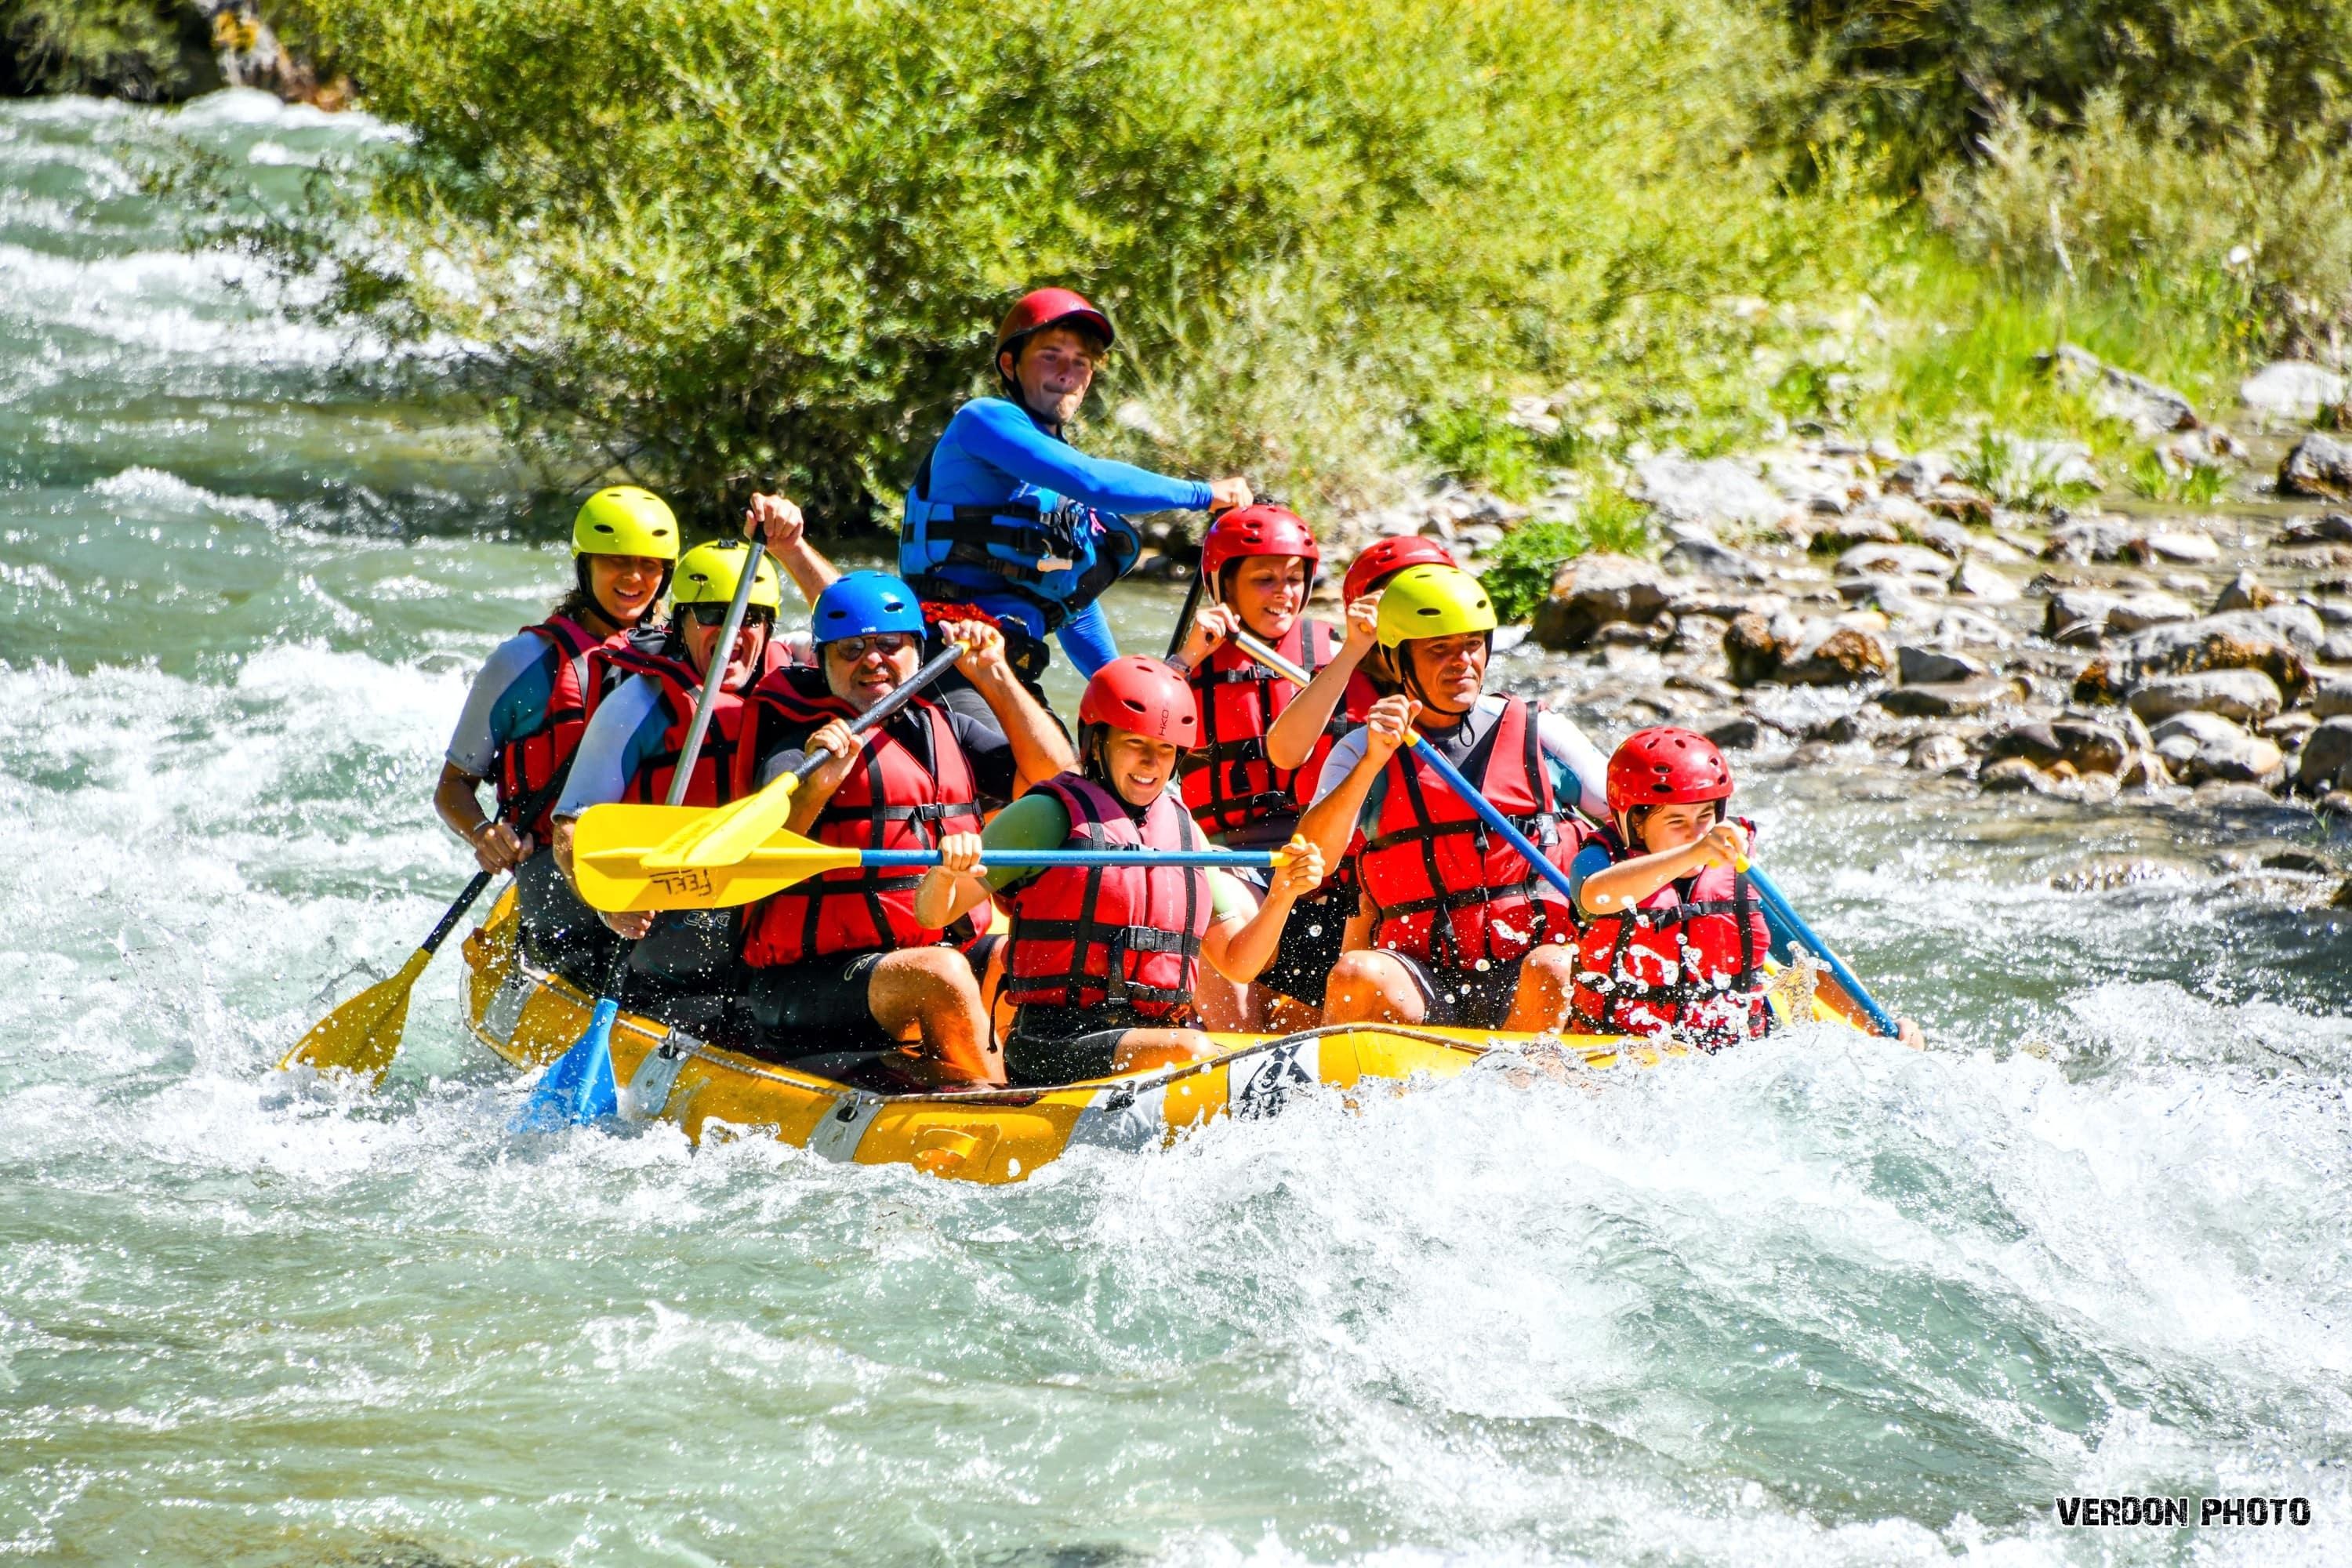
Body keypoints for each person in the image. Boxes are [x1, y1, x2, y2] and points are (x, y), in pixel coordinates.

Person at [911, 656, 1326, 1088]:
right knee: (1196, 1054)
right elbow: (932, 915)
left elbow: (1238, 964)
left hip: (1153, 1038)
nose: (1151, 762)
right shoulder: (1047, 815)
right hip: (1052, 1043)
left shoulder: (1186, 835)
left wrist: (1283, 893)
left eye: (1165, 749)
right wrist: (944, 873)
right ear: (1097, 742)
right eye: (1135, 743)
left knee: (1245, 1060)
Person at [735, 571, 1074, 1087]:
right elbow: (758, 853)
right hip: (809, 981)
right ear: (822, 661)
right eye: (851, 649)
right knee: (940, 974)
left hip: (928, 950)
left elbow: (1058, 783)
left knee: (1020, 954)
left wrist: (995, 676)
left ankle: (1030, 1079)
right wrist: (817, 786)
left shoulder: (942, 727)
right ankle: (1000, 1105)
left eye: (890, 645)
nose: (873, 660)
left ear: (917, 652)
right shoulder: (797, 738)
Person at [898, 287, 1253, 716]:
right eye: (1050, 355)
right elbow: (1093, 481)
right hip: (947, 659)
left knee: (1073, 774)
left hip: (1009, 673)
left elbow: (1070, 604)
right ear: (1010, 365)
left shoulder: (1055, 489)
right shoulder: (983, 419)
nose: (1067, 371)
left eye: (1081, 362)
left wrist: (1127, 698)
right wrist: (1205, 494)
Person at [1299, 564, 1611, 1033]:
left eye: (1472, 645)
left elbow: (1636, 819)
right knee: (1355, 975)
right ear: (1397, 659)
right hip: (1423, 978)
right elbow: (1313, 862)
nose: (1462, 662)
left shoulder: (1540, 733)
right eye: (1439, 649)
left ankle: (1525, 1084)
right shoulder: (1360, 749)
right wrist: (1371, 763)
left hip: (1532, 968)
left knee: (1553, 968)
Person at [437, 485, 677, 978]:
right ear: (585, 566)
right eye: (616, 561)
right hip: (556, 873)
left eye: (649, 564)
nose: (634, 578)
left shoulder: (693, 655)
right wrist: (486, 834)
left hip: (659, 872)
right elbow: (452, 787)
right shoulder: (522, 663)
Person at [550, 539, 790, 1029]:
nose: (732, 632)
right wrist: (609, 906)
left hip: (763, 909)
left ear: (768, 628)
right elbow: (569, 832)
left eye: (751, 618)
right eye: (712, 614)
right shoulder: (636, 705)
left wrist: (796, 546)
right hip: (670, 917)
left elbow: (866, 630)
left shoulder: (795, 686)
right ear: (680, 623)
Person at [1166, 505, 1356, 1026]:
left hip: (1325, 855)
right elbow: (1123, 750)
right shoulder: (1188, 667)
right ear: (1224, 584)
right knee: (1209, 901)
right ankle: (1234, 1055)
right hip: (1230, 855)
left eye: (1295, 578)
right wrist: (1185, 661)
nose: (1284, 592)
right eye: (1265, 579)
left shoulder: (1333, 652)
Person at [1566, 728, 1773, 1046]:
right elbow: (1594, 896)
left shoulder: (1738, 862)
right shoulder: (1598, 859)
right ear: (1636, 823)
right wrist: (1694, 853)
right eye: (1676, 822)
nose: (1697, 833)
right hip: (1617, 1054)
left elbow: (1801, 950)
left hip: (1731, 1054)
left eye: (1706, 816)